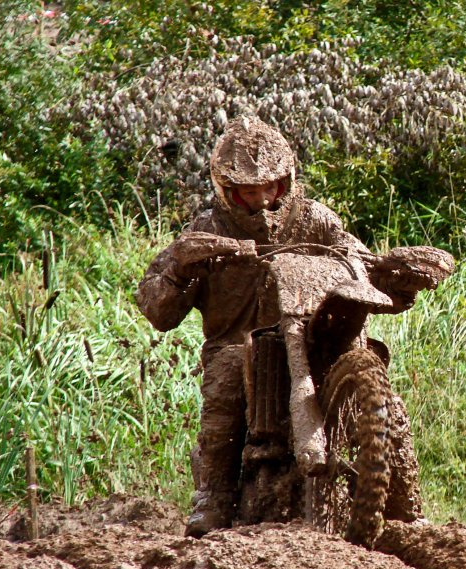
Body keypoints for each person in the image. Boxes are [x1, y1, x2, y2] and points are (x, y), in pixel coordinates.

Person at [136, 116, 369, 537]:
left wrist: (389, 272)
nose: (262, 199)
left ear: (287, 180)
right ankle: (213, 494)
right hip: (237, 343)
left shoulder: (317, 219)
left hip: (315, 338)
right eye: (249, 190)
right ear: (228, 190)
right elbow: (158, 312)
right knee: (224, 381)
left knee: (368, 369)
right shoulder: (206, 228)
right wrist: (180, 268)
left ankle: (397, 488)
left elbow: (357, 258)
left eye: (271, 187)